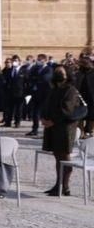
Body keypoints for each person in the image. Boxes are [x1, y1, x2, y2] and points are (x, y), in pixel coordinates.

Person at [42, 66, 84, 196]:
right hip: (52, 127)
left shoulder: (70, 90)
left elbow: (66, 109)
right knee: (57, 156)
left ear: (67, 75)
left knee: (64, 156)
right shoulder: (54, 89)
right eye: (56, 72)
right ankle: (58, 184)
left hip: (64, 127)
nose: (58, 74)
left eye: (61, 72)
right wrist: (44, 118)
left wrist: (52, 121)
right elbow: (47, 105)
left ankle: (65, 186)